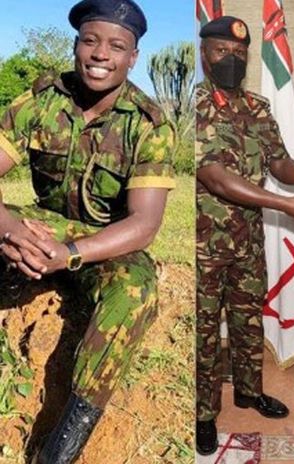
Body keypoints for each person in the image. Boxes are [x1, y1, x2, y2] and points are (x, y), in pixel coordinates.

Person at [0, 1, 174, 462]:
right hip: (41, 226)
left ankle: (59, 448)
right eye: (90, 40)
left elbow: (144, 224)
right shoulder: (41, 100)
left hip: (104, 245)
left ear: (132, 57)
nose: (100, 54)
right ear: (76, 45)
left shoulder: (149, 123)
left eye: (116, 46)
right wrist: (12, 230)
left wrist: (67, 253)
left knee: (136, 287)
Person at [194, 15, 294, 456]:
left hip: (249, 237)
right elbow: (215, 177)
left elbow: (278, 163)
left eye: (238, 55)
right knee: (205, 329)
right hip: (204, 243)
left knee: (249, 318)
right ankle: (203, 413)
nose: (230, 60)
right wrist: (287, 204)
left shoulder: (257, 107)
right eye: (221, 52)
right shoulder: (190, 107)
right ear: (203, 53)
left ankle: (249, 392)